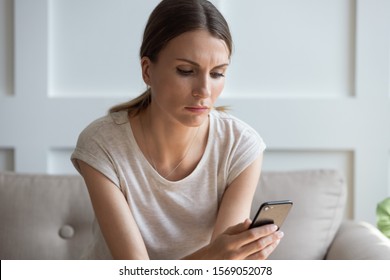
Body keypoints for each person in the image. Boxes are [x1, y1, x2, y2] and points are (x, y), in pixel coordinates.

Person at [71, 0, 284, 260]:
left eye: (217, 73)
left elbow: (223, 268)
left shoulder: (241, 145)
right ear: (147, 71)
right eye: (186, 71)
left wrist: (235, 258)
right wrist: (214, 256)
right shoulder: (102, 143)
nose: (204, 91)